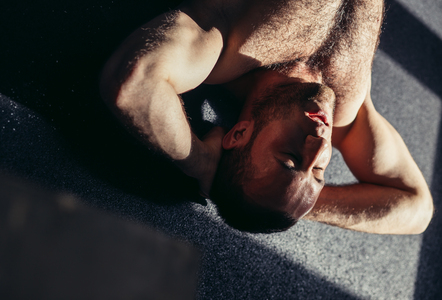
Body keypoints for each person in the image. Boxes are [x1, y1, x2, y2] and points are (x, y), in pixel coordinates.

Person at [100, 0, 433, 234]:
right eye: (318, 172)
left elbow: (134, 82)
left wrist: (200, 162)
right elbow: (416, 208)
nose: (318, 148)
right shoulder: (344, 107)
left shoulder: (227, 47)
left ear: (239, 134)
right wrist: (294, 203)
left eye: (290, 160)